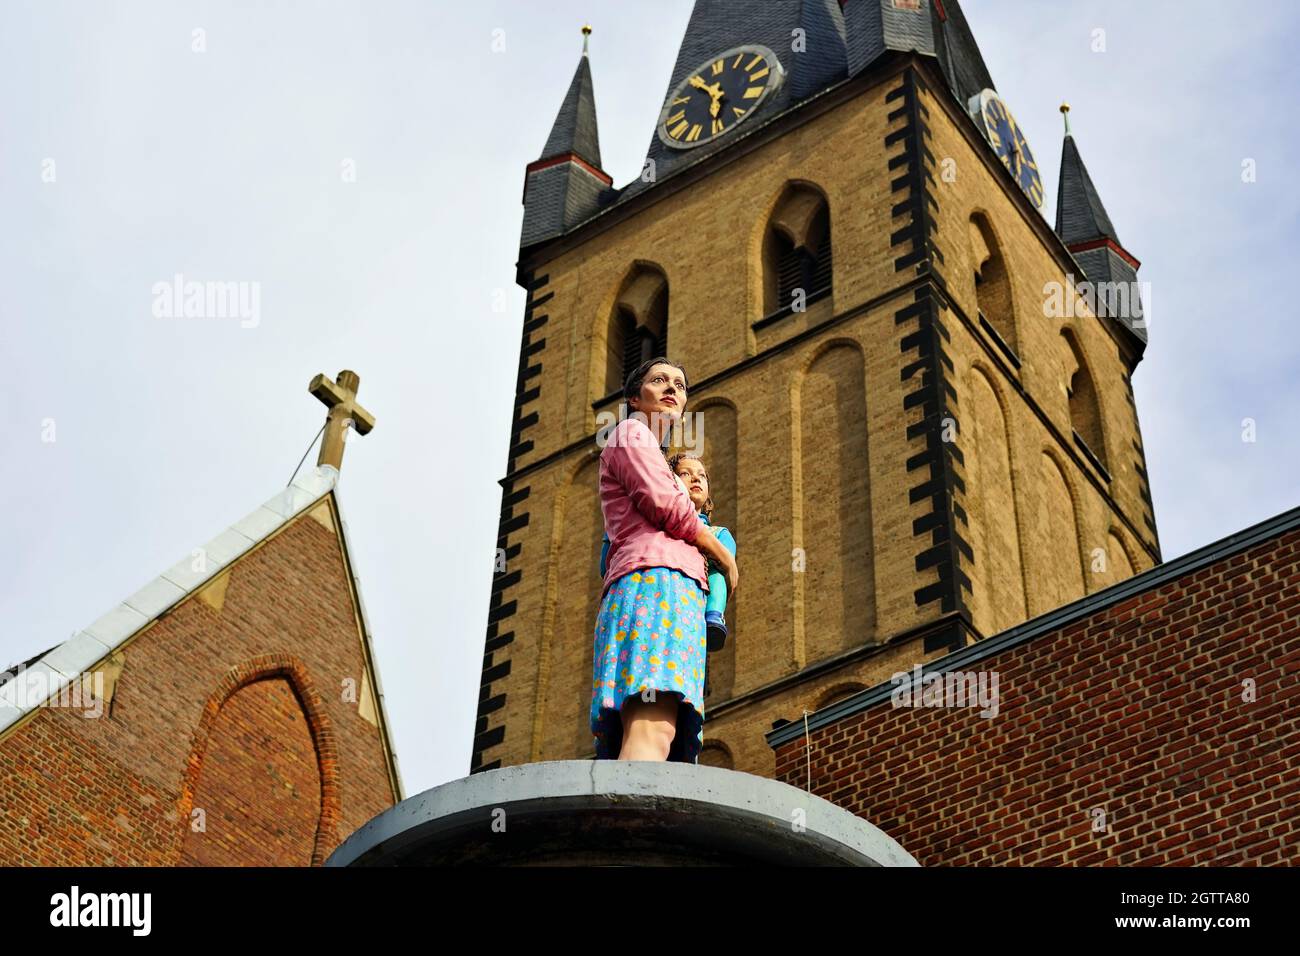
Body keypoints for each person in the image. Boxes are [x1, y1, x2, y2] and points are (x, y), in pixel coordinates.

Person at [591, 357, 739, 763]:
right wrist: (720, 550)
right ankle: (629, 820)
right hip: (655, 583)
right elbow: (666, 505)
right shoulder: (629, 434)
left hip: (670, 588)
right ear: (635, 398)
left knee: (661, 728)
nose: (673, 387)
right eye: (659, 380)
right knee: (652, 727)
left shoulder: (654, 452)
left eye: (680, 383)